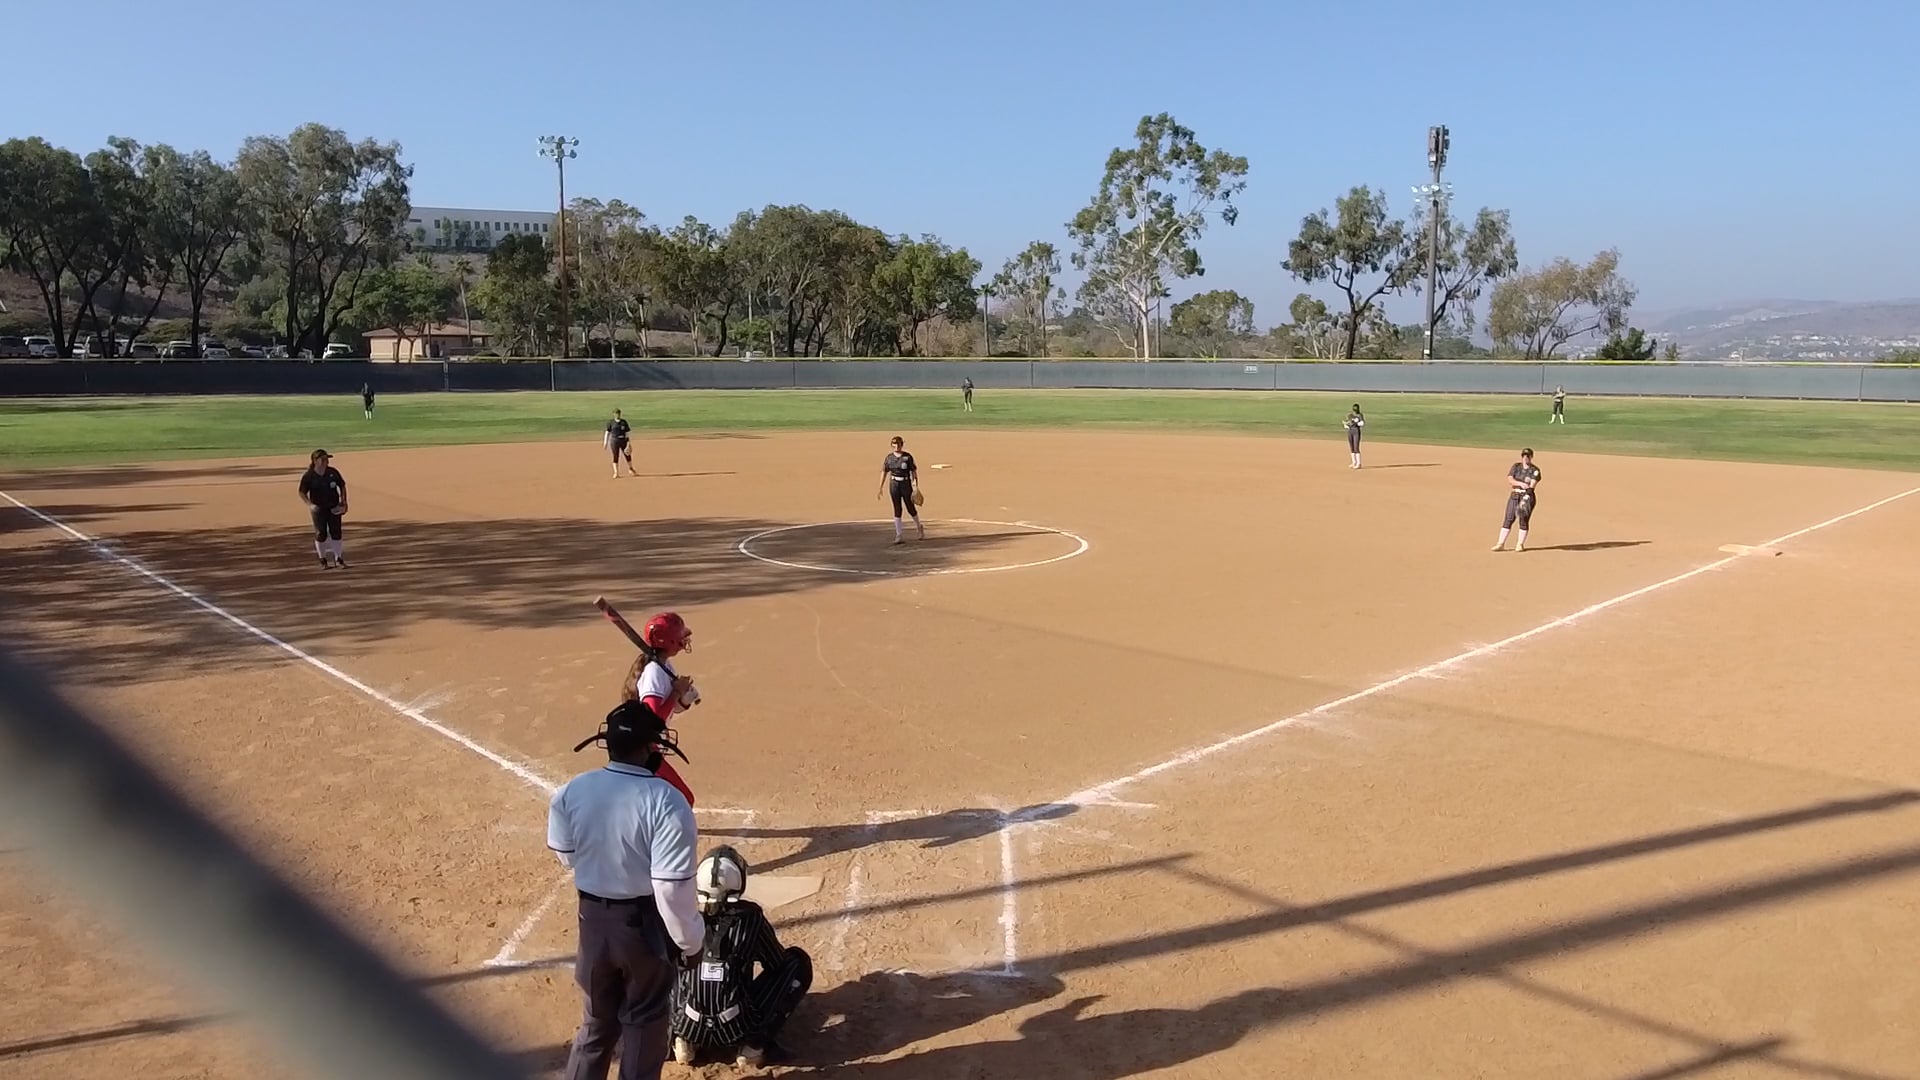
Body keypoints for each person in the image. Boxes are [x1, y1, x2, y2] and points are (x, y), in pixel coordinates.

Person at [550, 699, 706, 1080]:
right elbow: (670, 889)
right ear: (650, 748)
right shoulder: (668, 801)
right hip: (642, 927)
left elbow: (565, 854)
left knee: (596, 1023)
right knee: (643, 1024)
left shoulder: (572, 790)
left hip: (592, 922)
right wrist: (690, 943)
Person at [668, 846, 814, 1068]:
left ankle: (681, 1039)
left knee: (669, 964)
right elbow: (776, 963)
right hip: (735, 1027)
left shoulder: (686, 915)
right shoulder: (750, 919)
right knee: (796, 961)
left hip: (689, 1021)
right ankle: (754, 1046)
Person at [620, 612, 701, 807]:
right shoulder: (654, 673)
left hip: (650, 746)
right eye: (679, 637)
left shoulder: (665, 666)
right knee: (683, 799)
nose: (684, 640)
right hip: (642, 751)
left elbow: (670, 710)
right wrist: (676, 692)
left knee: (660, 800)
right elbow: (654, 717)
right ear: (670, 641)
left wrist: (684, 700)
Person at [297, 449, 349, 569]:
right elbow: (302, 492)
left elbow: (342, 485)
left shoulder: (333, 472)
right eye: (323, 459)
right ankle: (323, 559)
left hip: (334, 507)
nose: (326, 461)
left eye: (327, 459)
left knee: (336, 532)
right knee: (321, 534)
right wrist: (310, 505)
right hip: (318, 509)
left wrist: (343, 502)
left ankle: (338, 558)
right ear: (315, 461)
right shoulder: (309, 476)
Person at [877, 435, 924, 545]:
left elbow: (913, 471)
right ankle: (899, 534)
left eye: (898, 444)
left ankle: (919, 527)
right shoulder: (889, 458)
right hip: (894, 484)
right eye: (894, 444)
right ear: (891, 445)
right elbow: (884, 472)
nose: (897, 446)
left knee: (910, 507)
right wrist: (880, 487)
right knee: (897, 508)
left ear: (902, 445)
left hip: (905, 484)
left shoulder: (907, 457)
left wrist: (915, 485)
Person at [1492, 448, 1542, 552]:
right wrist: (1521, 483)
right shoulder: (1516, 467)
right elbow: (1510, 479)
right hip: (1514, 495)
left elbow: (1531, 486)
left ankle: (1520, 544)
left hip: (1527, 496)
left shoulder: (1535, 470)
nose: (1526, 458)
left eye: (1528, 456)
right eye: (1524, 456)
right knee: (1508, 518)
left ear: (1531, 457)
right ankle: (1500, 544)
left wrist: (1526, 498)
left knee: (1523, 520)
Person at [605, 409, 635, 479]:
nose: (617, 415)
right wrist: (605, 442)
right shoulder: (611, 422)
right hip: (614, 441)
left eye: (618, 413)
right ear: (613, 414)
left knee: (627, 454)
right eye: (616, 413)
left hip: (623, 440)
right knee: (615, 456)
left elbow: (627, 433)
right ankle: (616, 472)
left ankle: (631, 469)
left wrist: (628, 443)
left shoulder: (623, 422)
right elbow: (607, 432)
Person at [1344, 403, 1365, 469]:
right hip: (1350, 431)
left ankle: (1358, 463)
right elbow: (1347, 422)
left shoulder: (1360, 415)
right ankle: (1354, 462)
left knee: (1356, 447)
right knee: (1352, 447)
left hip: (1356, 431)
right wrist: (1346, 425)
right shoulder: (1350, 415)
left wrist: (1356, 423)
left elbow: (1362, 423)